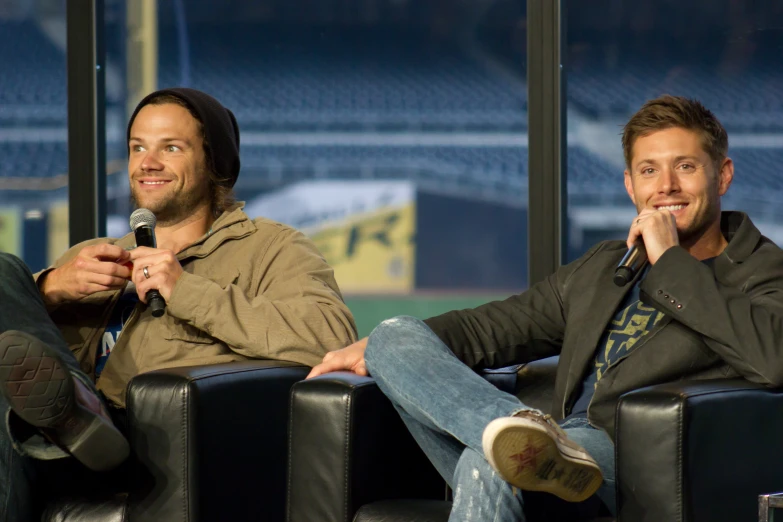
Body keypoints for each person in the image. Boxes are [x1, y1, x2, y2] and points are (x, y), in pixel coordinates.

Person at [307, 95, 783, 521]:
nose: (666, 186)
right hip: (561, 443)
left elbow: (772, 358)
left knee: (497, 462)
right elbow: (492, 327)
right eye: (649, 170)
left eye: (685, 167)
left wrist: (670, 262)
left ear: (722, 174)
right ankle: (514, 433)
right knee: (394, 334)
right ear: (629, 185)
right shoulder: (602, 268)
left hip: (634, 453)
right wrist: (388, 349)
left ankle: (521, 445)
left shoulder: (762, 270)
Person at [0, 87, 357, 521]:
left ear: (214, 163)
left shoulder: (271, 248)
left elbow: (329, 335)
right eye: (137, 148)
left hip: (153, 446)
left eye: (170, 147)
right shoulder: (94, 253)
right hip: (50, 441)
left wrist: (185, 290)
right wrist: (53, 288)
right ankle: (73, 414)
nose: (147, 163)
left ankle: (80, 416)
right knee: (4, 273)